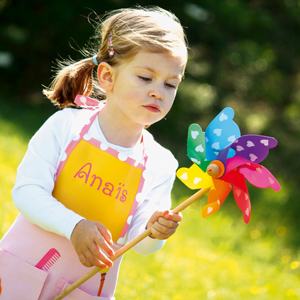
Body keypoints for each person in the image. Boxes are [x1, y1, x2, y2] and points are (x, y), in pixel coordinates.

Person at [0, 6, 188, 300]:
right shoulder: (66, 126)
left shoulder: (162, 163)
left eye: (170, 84)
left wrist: (155, 230)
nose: (158, 92)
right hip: (19, 275)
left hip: (84, 291)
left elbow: (143, 242)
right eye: (145, 77)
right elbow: (27, 192)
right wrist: (74, 227)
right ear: (107, 77)